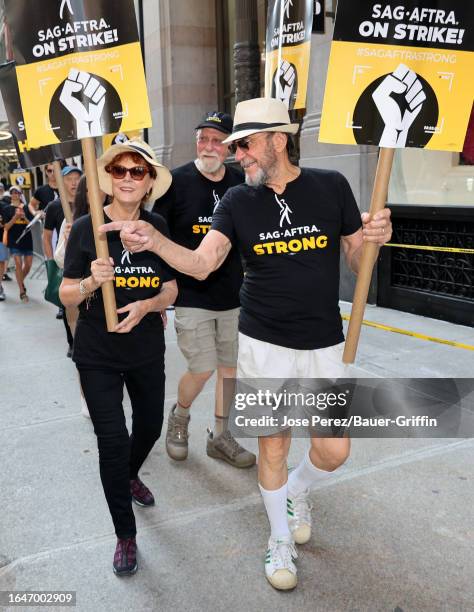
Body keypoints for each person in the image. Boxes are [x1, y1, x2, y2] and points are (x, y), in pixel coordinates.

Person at [100, 98, 393, 590]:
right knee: (273, 445)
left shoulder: (331, 186)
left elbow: (358, 264)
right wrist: (152, 240)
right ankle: (279, 536)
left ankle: (297, 492)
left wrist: (374, 240)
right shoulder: (237, 200)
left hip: (323, 342)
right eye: (235, 146)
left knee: (334, 450)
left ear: (279, 140)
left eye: (246, 145)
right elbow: (200, 264)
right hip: (263, 343)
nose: (238, 155)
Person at [59, 139, 177, 576]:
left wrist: (149, 305)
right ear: (109, 178)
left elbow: (172, 287)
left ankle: (129, 474)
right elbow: (65, 292)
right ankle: (125, 535)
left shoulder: (157, 224)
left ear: (148, 183)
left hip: (146, 347)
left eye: (138, 171)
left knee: (149, 426)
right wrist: (91, 281)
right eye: (121, 170)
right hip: (97, 352)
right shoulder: (88, 227)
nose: (129, 177)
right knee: (112, 440)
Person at [153, 111, 255, 468]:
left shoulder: (243, 181)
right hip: (191, 294)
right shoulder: (175, 182)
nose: (208, 147)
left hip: (233, 294)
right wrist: (162, 292)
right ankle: (179, 417)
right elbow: (158, 237)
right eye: (202, 139)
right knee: (202, 367)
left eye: (216, 140)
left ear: (228, 147)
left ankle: (221, 436)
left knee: (230, 369)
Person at [54, 175, 109, 417]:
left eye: (103, 189)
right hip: (80, 302)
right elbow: (60, 261)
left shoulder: (115, 219)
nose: (98, 194)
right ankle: (87, 396)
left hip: (110, 301)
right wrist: (67, 241)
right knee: (84, 352)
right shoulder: (74, 223)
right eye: (92, 190)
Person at [44, 166, 83, 354]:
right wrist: (51, 262)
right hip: (65, 262)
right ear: (62, 182)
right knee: (69, 305)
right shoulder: (54, 207)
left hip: (87, 261)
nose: (74, 182)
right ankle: (73, 342)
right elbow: (46, 237)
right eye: (69, 178)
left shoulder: (89, 203)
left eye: (77, 177)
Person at [2, 186, 34, 302]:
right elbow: (6, 227)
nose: (15, 194)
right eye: (13, 192)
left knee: (29, 264)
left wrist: (24, 217)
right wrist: (15, 217)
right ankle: (22, 291)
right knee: (18, 263)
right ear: (10, 194)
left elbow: (31, 224)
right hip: (14, 240)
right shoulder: (6, 209)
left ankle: (20, 280)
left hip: (27, 239)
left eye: (17, 192)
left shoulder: (25, 208)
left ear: (20, 194)